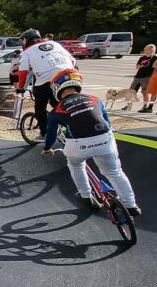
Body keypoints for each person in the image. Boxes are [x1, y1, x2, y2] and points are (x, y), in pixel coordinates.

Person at [42, 71, 141, 215]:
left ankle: (86, 196)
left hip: (78, 145)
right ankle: (131, 205)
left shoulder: (56, 110)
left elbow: (51, 135)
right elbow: (106, 121)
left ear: (57, 88)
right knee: (114, 172)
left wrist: (47, 148)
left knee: (76, 165)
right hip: (103, 139)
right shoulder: (95, 99)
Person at [16, 28, 74, 136]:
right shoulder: (54, 43)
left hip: (46, 80)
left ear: (27, 40)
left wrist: (20, 88)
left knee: (40, 109)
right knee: (57, 103)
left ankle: (45, 133)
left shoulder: (27, 52)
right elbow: (73, 60)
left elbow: (23, 72)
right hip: (70, 75)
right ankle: (68, 122)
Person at [130, 44, 157, 111]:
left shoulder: (155, 58)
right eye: (145, 49)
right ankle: (128, 105)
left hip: (146, 77)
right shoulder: (142, 58)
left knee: (145, 92)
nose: (145, 50)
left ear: (152, 50)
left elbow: (155, 68)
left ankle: (145, 106)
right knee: (131, 91)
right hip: (138, 76)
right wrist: (142, 64)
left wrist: (152, 77)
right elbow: (137, 67)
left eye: (147, 49)